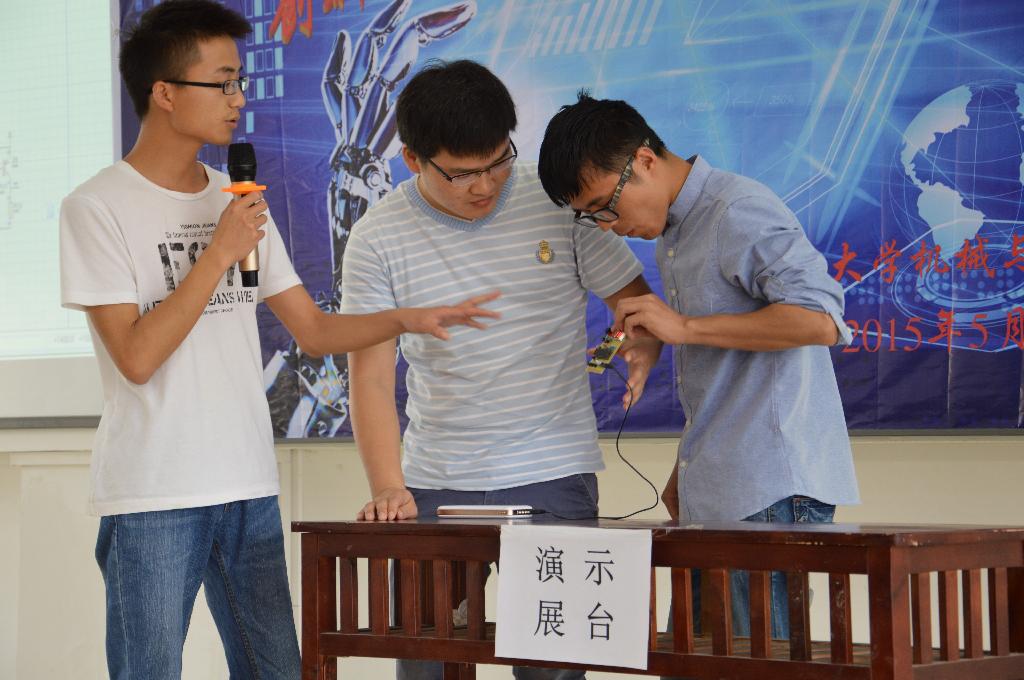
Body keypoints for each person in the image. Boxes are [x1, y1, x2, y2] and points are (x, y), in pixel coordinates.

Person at [58, 3, 497, 678]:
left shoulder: (233, 197)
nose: (239, 99)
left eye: (240, 82)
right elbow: (137, 357)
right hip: (152, 493)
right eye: (223, 83)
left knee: (278, 671)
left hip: (247, 484)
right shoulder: (96, 207)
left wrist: (409, 318)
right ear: (165, 92)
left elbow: (314, 331)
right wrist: (218, 252)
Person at [340, 60, 661, 680]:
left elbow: (632, 303)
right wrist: (388, 486)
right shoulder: (378, 238)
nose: (485, 185)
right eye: (462, 173)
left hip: (554, 474)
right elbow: (371, 378)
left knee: (554, 666)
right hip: (436, 482)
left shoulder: (556, 200)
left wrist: (631, 346)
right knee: (427, 663)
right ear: (412, 159)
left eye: (498, 162)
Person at [537, 93, 860, 642]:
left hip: (768, 489)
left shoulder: (736, 210)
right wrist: (688, 469)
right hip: (721, 485)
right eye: (592, 218)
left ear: (643, 160)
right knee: (698, 659)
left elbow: (821, 319)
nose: (609, 226)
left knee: (750, 665)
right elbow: (731, 378)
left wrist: (684, 327)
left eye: (605, 206)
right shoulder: (677, 230)